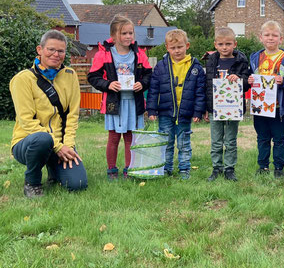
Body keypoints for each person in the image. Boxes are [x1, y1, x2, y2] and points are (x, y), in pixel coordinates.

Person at [9, 30, 87, 197]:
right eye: (51, 49)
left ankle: (54, 170)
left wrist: (68, 146)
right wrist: (57, 147)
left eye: (61, 51)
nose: (56, 54)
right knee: (43, 139)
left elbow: (72, 116)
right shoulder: (22, 79)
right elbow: (26, 121)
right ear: (40, 49)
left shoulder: (70, 75)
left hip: (60, 142)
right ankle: (32, 182)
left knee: (78, 184)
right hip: (28, 142)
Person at [88, 15, 152, 180]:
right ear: (114, 35)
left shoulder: (139, 54)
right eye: (124, 33)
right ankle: (111, 170)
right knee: (114, 137)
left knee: (130, 137)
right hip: (114, 103)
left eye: (131, 33)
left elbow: (148, 75)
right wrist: (108, 84)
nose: (128, 36)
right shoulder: (104, 55)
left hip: (134, 103)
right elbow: (93, 77)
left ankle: (128, 170)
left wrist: (142, 84)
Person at [147, 29, 206, 180]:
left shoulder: (195, 67)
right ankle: (166, 168)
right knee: (166, 143)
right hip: (166, 112)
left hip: (185, 113)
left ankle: (184, 169)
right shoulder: (161, 67)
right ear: (167, 47)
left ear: (187, 45)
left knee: (184, 143)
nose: (177, 51)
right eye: (173, 48)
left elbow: (200, 92)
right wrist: (152, 109)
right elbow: (153, 90)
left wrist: (198, 112)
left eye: (180, 47)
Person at [248, 21, 284, 178]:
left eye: (274, 35)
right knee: (262, 138)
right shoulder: (255, 58)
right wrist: (248, 80)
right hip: (260, 106)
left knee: (280, 138)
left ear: (281, 38)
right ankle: (262, 166)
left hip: (279, 106)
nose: (271, 38)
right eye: (267, 35)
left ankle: (278, 167)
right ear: (260, 37)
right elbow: (248, 77)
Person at [205, 27, 251, 182]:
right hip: (215, 108)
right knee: (216, 141)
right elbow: (207, 85)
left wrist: (238, 78)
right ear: (215, 45)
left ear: (235, 44)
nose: (224, 47)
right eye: (221, 44)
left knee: (230, 141)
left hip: (233, 108)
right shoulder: (211, 62)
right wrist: (206, 108)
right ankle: (216, 168)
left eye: (228, 44)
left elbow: (247, 83)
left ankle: (229, 169)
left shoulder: (241, 62)